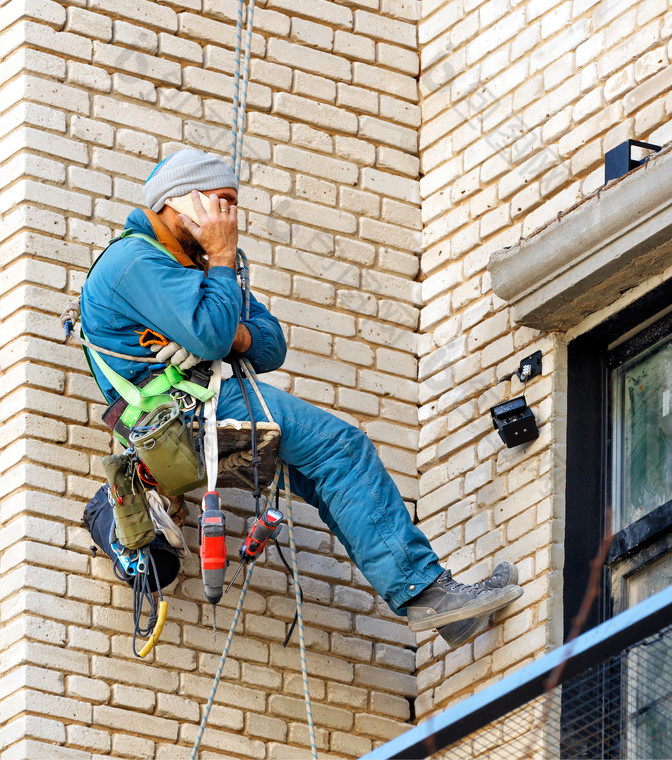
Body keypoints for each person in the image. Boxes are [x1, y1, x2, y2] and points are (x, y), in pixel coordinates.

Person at [80, 148, 522, 647]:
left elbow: (271, 343)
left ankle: (439, 608)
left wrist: (232, 329)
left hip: (207, 406)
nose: (229, 217)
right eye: (220, 202)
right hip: (180, 413)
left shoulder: (199, 269)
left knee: (327, 472)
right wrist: (222, 267)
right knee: (341, 447)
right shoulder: (134, 261)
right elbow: (208, 335)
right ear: (182, 199)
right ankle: (427, 594)